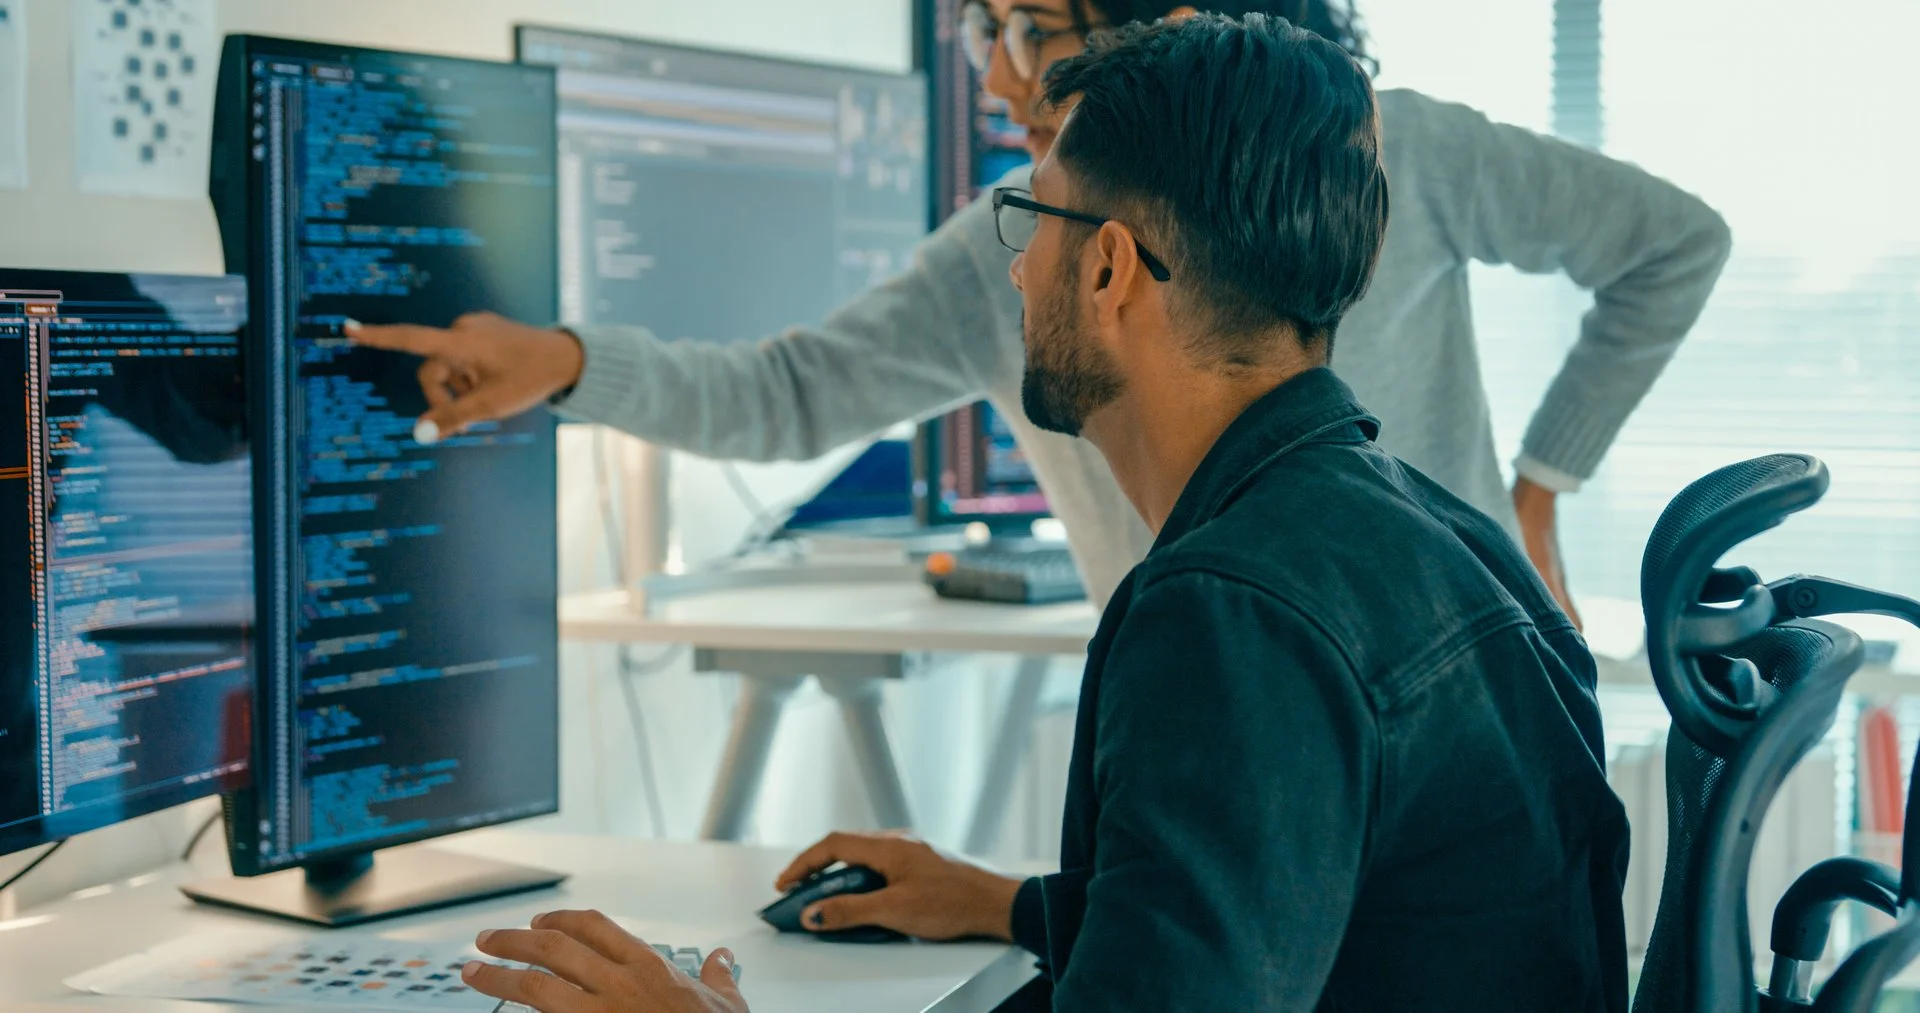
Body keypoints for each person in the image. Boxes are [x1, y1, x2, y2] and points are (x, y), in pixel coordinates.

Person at [452, 14, 1629, 1011]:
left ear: (1111, 268)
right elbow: (1298, 905)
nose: (1013, 271)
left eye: (1035, 223)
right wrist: (1010, 903)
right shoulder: (1434, 530)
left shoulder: (1230, 613)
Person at [349, 0, 1732, 625]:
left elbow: (1675, 243)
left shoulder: (1398, 152)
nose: (994, 76)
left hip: (1398, 708)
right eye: (976, 30)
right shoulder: (1014, 248)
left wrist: (1542, 488)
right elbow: (790, 393)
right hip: (1206, 731)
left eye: (1021, 26)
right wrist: (572, 362)